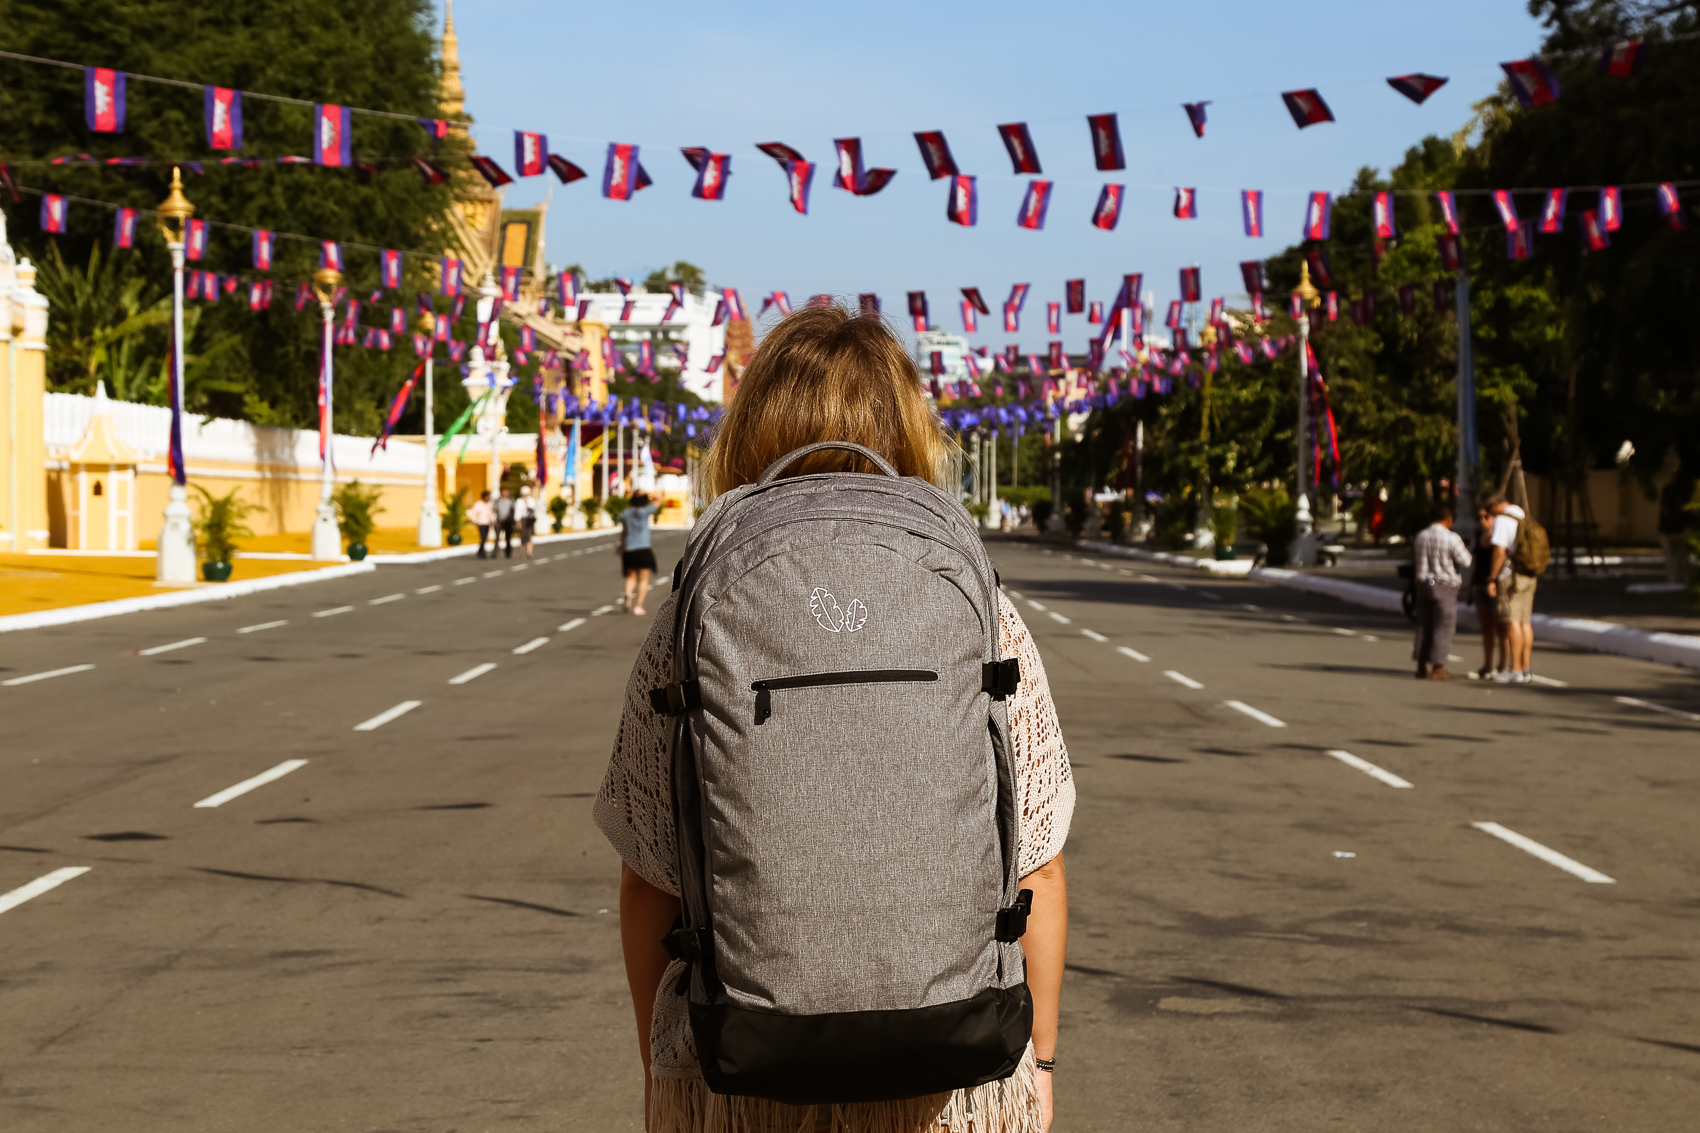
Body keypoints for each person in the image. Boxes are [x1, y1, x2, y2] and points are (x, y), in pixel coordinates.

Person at [594, 304, 1073, 1133]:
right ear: (913, 429)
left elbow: (648, 875)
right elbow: (1037, 865)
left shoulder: (691, 610)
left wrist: (663, 1072)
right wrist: (1044, 1068)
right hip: (955, 1071)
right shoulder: (979, 605)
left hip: (738, 1071)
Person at [1411, 501, 1472, 680]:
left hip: (1423, 584)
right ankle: (1437, 667)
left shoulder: (1421, 536)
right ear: (1448, 519)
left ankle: (1421, 665)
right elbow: (1466, 560)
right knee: (1443, 626)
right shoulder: (1451, 538)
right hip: (1444, 585)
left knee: (1423, 625)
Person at [1484, 493, 1536, 683]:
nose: (1491, 516)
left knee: (1512, 621)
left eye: (1490, 511)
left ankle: (1515, 670)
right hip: (1529, 572)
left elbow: (1499, 550)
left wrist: (1492, 578)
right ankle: (1525, 668)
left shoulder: (1503, 519)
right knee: (1525, 621)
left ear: (1496, 505)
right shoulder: (1520, 512)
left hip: (1511, 575)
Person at [1466, 502, 1502, 679]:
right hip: (1480, 585)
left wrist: (1494, 580)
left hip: (1496, 587)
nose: (1482, 521)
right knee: (1486, 628)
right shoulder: (1478, 535)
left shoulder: (1500, 536)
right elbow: (1475, 564)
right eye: (1479, 517)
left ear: (1494, 517)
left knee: (1501, 628)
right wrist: (1470, 588)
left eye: (1485, 517)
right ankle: (1487, 666)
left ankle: (1502, 666)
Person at [618, 490, 659, 616]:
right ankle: (638, 606)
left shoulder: (626, 513)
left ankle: (628, 593)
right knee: (643, 579)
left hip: (630, 549)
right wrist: (647, 491)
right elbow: (659, 498)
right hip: (644, 549)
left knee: (631, 576)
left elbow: (624, 531)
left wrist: (621, 545)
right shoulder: (645, 511)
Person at [468, 490, 495, 559]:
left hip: (487, 524)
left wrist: (492, 521)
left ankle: (480, 552)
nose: (489, 498)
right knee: (483, 537)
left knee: (485, 538)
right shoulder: (478, 504)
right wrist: (476, 521)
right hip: (481, 523)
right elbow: (473, 513)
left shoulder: (489, 505)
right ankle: (481, 553)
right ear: (485, 496)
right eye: (488, 496)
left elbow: (491, 514)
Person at [515, 485, 537, 559]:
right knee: (523, 537)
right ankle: (522, 553)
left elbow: (534, 510)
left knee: (530, 537)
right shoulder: (519, 501)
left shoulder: (532, 500)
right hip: (523, 519)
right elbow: (517, 512)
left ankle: (529, 552)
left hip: (530, 520)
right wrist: (518, 522)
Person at [494, 487, 516, 559]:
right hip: (499, 521)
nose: (506, 493)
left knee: (508, 538)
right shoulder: (497, 501)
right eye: (504, 492)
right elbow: (494, 511)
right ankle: (495, 553)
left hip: (508, 522)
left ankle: (508, 553)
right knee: (497, 538)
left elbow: (514, 511)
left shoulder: (511, 501)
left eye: (507, 492)